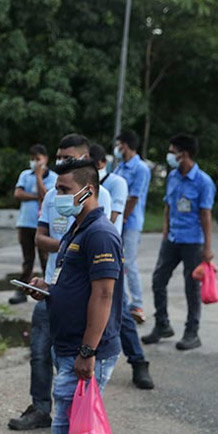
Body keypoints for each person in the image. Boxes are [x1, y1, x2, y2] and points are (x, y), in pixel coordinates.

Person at [26, 158, 123, 434]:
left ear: (88, 191)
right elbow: (76, 285)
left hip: (83, 351)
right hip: (68, 346)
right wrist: (46, 288)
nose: (58, 195)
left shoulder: (100, 234)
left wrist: (87, 351)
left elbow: (104, 292)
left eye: (65, 189)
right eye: (57, 188)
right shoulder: (77, 229)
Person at [9, 134, 113, 431]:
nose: (59, 165)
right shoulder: (58, 195)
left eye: (67, 159)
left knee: (68, 361)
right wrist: (66, 251)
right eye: (58, 159)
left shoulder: (97, 206)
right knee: (40, 351)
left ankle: (79, 418)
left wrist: (88, 351)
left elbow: (104, 281)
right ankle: (42, 409)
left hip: (81, 295)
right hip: (54, 288)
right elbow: (39, 236)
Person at [142, 134, 215, 351]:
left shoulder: (203, 181)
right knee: (158, 279)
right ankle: (162, 324)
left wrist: (208, 248)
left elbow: (206, 215)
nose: (170, 155)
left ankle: (192, 332)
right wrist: (165, 229)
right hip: (172, 239)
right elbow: (168, 205)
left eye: (173, 151)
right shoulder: (173, 176)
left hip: (193, 242)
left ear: (185, 154)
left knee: (191, 287)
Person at [91, 144, 154, 389]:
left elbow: (112, 217)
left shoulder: (114, 184)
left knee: (119, 313)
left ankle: (139, 361)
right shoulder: (80, 187)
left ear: (96, 164)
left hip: (107, 254)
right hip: (84, 254)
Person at [9, 144, 57, 305]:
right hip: (25, 222)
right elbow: (18, 193)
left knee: (45, 258)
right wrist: (35, 196)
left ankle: (46, 290)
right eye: (32, 159)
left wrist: (38, 177)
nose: (35, 163)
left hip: (42, 225)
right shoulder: (25, 174)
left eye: (38, 159)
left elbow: (46, 196)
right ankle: (22, 290)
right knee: (27, 259)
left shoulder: (53, 177)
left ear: (46, 159)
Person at [113, 131, 152, 324]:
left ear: (126, 145)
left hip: (131, 222)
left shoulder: (140, 168)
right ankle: (120, 300)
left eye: (119, 144)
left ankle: (137, 304)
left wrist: (123, 218)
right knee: (116, 261)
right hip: (119, 221)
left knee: (129, 263)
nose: (117, 148)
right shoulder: (120, 167)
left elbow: (134, 197)